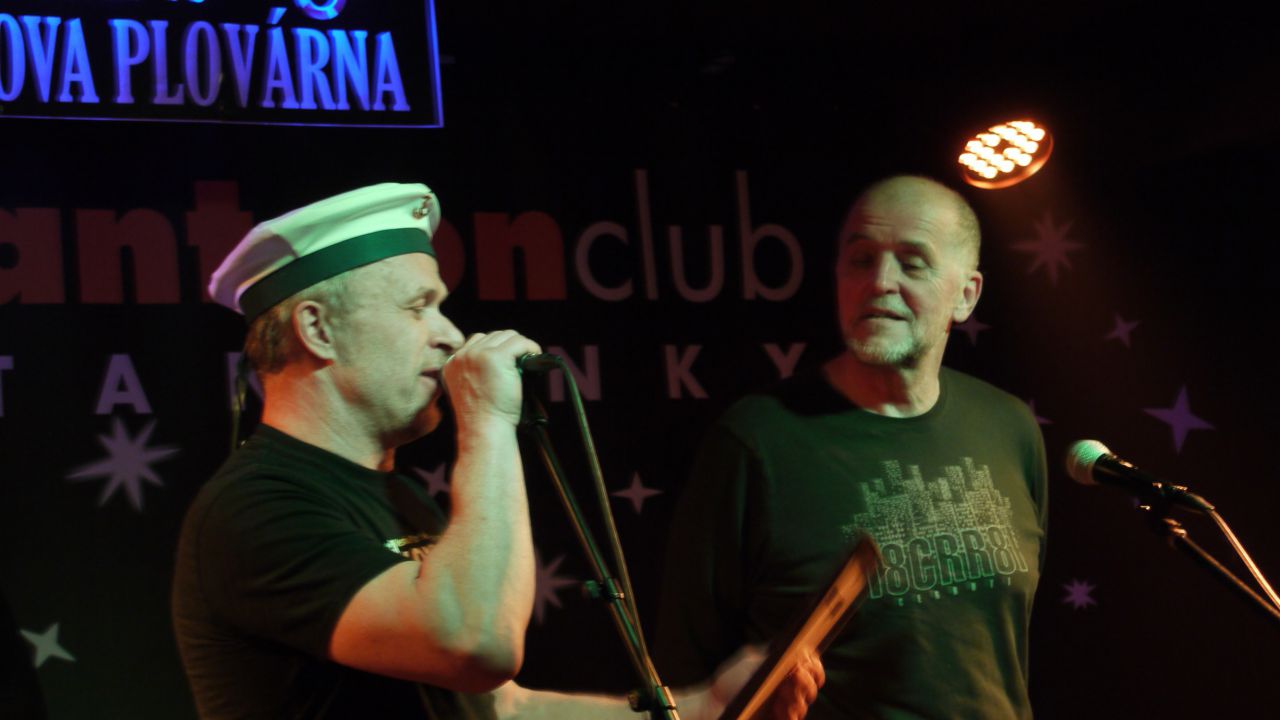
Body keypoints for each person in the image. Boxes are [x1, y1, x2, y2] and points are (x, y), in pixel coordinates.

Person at [172, 182, 821, 720]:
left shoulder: (400, 496)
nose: (450, 334)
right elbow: (477, 642)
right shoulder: (255, 510)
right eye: (418, 307)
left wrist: (699, 708)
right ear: (318, 328)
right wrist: (485, 420)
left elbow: (501, 708)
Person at [655, 176, 1048, 719]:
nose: (880, 281)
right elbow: (684, 674)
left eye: (912, 263)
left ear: (966, 295)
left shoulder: (1009, 426)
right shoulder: (756, 441)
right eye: (861, 259)